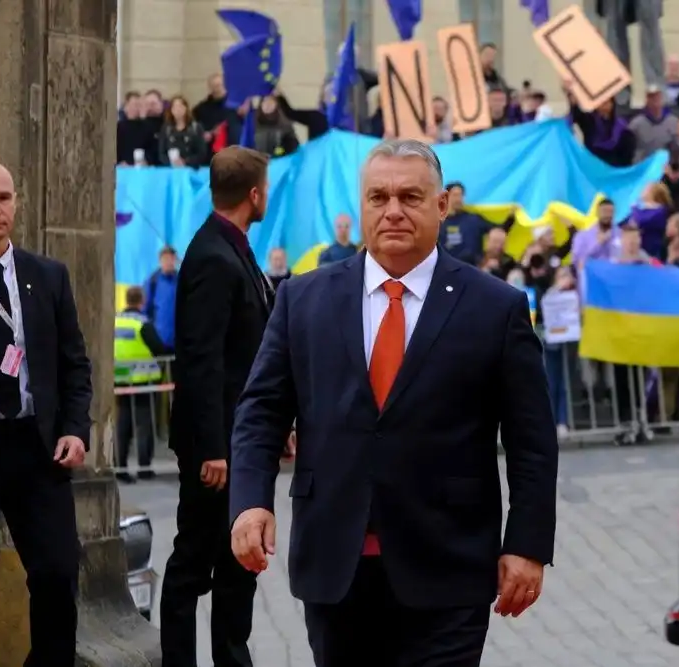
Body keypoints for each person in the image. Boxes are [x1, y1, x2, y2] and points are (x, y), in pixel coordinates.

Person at [228, 139, 559, 667]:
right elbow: (261, 410)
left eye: (410, 196)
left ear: (442, 205)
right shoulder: (302, 299)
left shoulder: (496, 308)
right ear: (361, 206)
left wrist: (527, 544)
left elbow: (532, 441)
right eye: (378, 197)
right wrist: (250, 501)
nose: (394, 211)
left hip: (448, 567)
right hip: (336, 567)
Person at [0, 159, 92, 666]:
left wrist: (76, 430)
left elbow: (74, 364)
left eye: (4, 197)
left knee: (59, 572)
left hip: (37, 447)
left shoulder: (48, 276)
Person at [159, 146, 277, 667]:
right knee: (193, 562)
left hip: (243, 440)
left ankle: (233, 657)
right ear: (254, 194)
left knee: (238, 562)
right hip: (217, 448)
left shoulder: (235, 249)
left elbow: (248, 354)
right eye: (266, 189)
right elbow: (200, 360)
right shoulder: (211, 254)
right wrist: (212, 447)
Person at [114, 285, 168, 483]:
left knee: (123, 425)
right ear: (141, 301)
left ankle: (120, 466)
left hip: (120, 379)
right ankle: (144, 467)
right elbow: (159, 349)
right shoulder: (142, 324)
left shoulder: (116, 321)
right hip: (143, 380)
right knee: (144, 425)